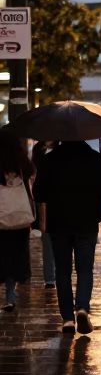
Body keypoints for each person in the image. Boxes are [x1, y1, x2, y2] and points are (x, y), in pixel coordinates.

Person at [33, 140, 101, 335]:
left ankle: (68, 319)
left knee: (62, 271)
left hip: (58, 223)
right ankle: (82, 308)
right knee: (85, 269)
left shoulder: (49, 160)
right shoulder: (93, 158)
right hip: (86, 223)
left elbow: (38, 193)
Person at [0, 126, 35, 313]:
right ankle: (11, 294)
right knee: (16, 254)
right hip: (19, 216)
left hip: (0, 216)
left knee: (2, 254)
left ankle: (7, 291)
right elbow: (31, 171)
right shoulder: (21, 160)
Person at [32, 141, 57, 288]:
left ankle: (50, 278)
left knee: (48, 244)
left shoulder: (41, 155)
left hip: (46, 209)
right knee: (57, 244)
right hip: (56, 209)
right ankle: (54, 276)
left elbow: (37, 191)